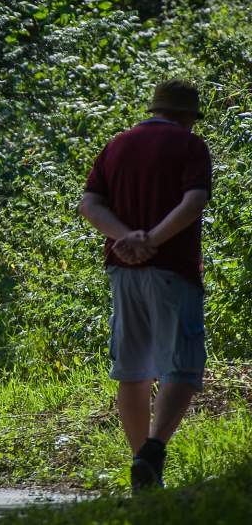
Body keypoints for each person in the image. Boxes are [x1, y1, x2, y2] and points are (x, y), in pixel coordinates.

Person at [78, 79, 211, 492]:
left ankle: (142, 469)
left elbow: (89, 204)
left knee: (132, 369)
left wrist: (125, 238)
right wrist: (151, 239)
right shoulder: (191, 146)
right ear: (187, 116)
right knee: (183, 366)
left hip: (123, 271)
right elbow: (193, 203)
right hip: (173, 268)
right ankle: (153, 450)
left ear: (154, 108)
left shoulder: (117, 145)